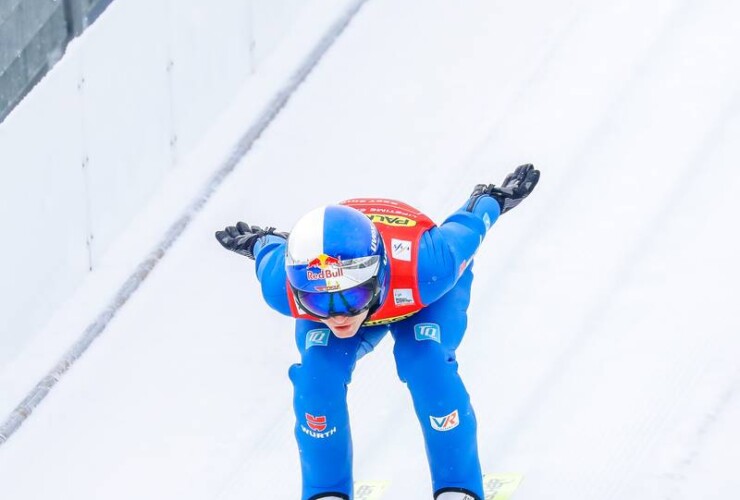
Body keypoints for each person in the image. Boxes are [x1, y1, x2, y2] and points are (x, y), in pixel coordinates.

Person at [215, 164, 540, 500]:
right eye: (316, 299)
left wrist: (491, 198)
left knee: (427, 363)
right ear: (297, 287)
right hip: (394, 287)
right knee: (317, 380)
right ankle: (328, 492)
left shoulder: (430, 267)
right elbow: (270, 251)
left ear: (379, 274)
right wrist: (262, 241)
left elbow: (466, 225)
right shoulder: (281, 284)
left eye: (352, 295)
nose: (339, 315)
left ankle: (458, 486)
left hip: (419, 295)